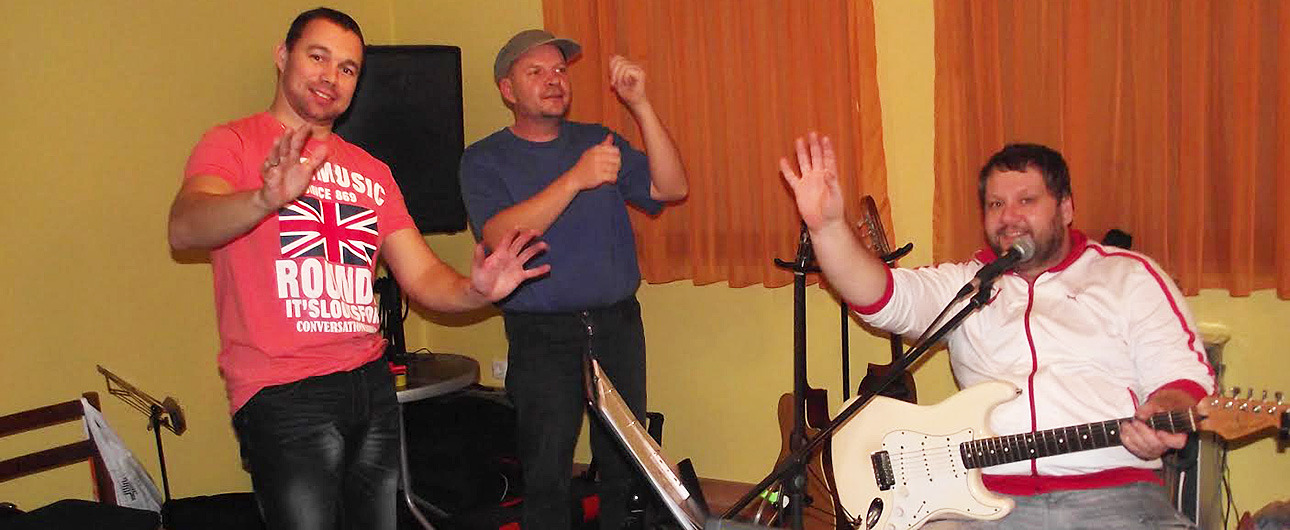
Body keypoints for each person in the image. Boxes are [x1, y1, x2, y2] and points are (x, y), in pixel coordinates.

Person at [167, 8, 549, 530]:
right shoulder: (233, 143)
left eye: (347, 68)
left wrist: (478, 290)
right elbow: (184, 227)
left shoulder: (372, 171)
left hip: (369, 386)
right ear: (283, 56)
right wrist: (262, 199)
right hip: (283, 391)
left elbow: (423, 276)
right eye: (317, 57)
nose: (331, 76)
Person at [779, 134, 1214, 529]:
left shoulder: (1129, 277)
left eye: (1027, 200)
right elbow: (879, 295)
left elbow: (1183, 378)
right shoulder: (968, 285)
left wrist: (1163, 413)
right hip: (984, 500)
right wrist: (827, 228)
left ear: (1065, 208)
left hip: (1115, 497)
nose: (1009, 217)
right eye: (995, 205)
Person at [458, 29, 687, 529]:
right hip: (541, 335)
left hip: (616, 324)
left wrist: (641, 105)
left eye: (560, 69)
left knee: (625, 466)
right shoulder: (483, 159)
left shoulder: (598, 141)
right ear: (507, 90)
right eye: (536, 71)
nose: (554, 80)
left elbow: (671, 187)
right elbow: (500, 237)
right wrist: (575, 180)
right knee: (546, 471)